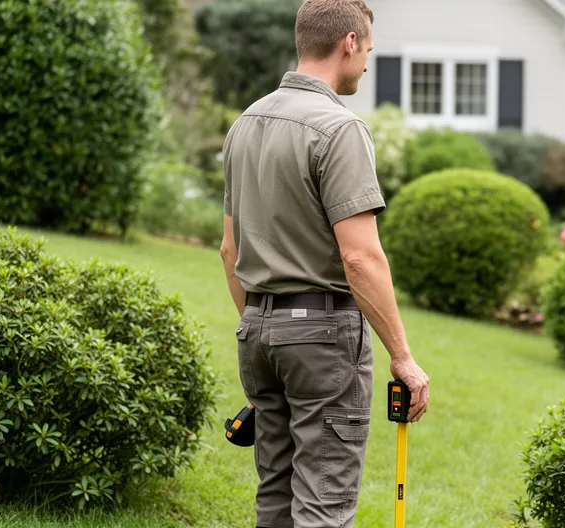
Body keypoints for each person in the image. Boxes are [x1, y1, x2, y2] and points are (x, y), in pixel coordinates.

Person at [218, 1, 430, 526]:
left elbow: (229, 250)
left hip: (257, 332)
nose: (365, 64)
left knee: (275, 499)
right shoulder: (340, 130)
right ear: (349, 43)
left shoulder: (245, 124)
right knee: (323, 507)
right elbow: (359, 257)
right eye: (368, 52)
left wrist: (260, 322)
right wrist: (402, 358)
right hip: (323, 342)